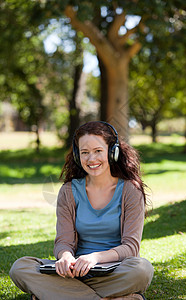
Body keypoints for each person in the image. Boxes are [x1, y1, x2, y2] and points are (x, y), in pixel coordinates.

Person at [9, 121, 154, 300]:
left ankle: (58, 294)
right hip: (75, 271)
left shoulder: (130, 191)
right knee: (21, 267)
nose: (91, 159)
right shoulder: (69, 191)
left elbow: (131, 247)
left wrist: (94, 258)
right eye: (84, 152)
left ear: (112, 152)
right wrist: (65, 257)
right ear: (78, 156)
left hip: (114, 271)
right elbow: (64, 241)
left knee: (142, 269)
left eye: (98, 151)